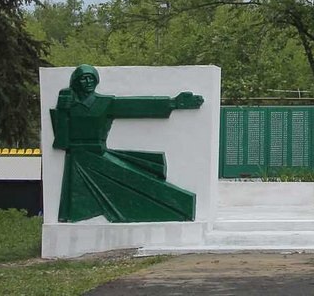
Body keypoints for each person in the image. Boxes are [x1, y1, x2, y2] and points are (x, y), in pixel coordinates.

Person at [50, 64, 204, 222]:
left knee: (141, 183)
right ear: (76, 82)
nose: (88, 82)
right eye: (84, 78)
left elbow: (134, 106)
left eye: (91, 78)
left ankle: (181, 207)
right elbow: (61, 142)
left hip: (97, 154)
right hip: (78, 159)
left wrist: (173, 103)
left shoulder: (104, 102)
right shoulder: (69, 105)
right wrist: (63, 110)